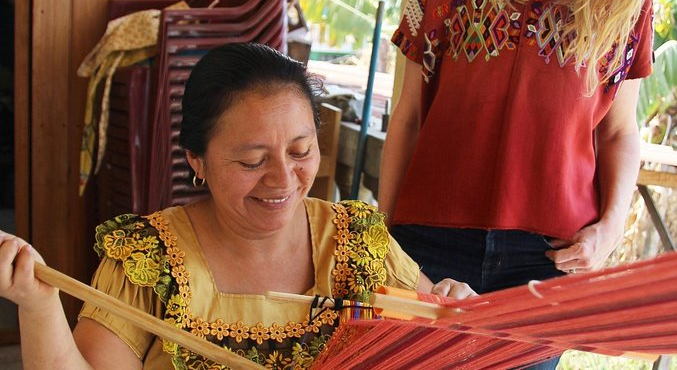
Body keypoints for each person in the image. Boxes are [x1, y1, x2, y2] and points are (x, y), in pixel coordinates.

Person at [0, 42, 475, 369]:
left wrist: (459, 312)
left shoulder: (357, 241)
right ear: (197, 161)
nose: (283, 179)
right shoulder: (151, 258)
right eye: (252, 161)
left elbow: (439, 342)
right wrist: (38, 305)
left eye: (300, 151)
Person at [380, 0, 657, 366]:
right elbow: (407, 115)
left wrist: (608, 232)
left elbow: (618, 133)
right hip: (426, 241)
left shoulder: (625, 7)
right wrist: (383, 237)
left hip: (546, 261)